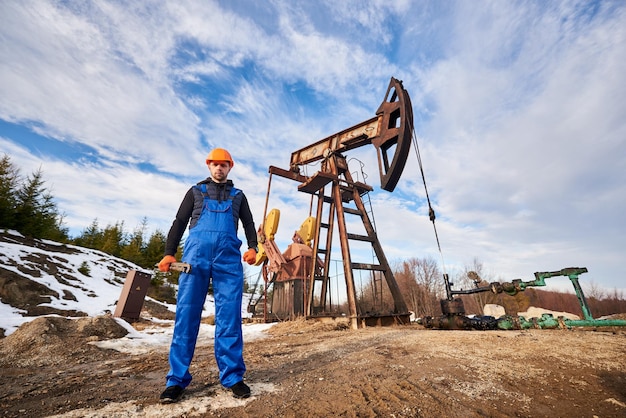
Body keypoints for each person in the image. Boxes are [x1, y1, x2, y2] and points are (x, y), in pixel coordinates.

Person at [157, 148, 258, 404]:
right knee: (186, 316)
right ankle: (176, 381)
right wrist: (169, 253)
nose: (219, 168)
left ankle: (233, 377)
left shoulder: (239, 196)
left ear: (230, 167)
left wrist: (253, 247)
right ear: (209, 166)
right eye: (215, 164)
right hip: (195, 260)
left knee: (229, 317)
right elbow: (179, 222)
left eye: (224, 165)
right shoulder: (195, 192)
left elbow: (248, 224)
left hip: (228, 262)